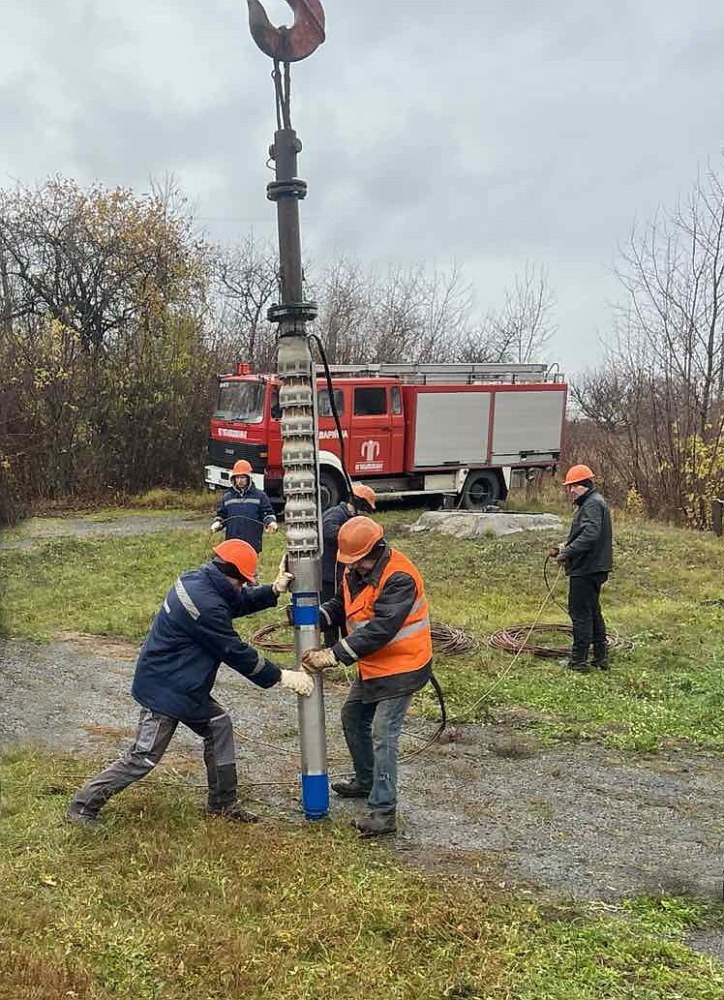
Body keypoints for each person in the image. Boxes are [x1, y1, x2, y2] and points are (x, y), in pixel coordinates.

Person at [66, 539, 314, 828]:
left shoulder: (201, 581)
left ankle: (223, 804)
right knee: (144, 756)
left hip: (184, 685)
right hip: (165, 688)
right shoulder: (204, 605)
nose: (243, 587)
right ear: (229, 574)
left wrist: (272, 591)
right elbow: (234, 650)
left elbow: (234, 601)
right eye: (242, 582)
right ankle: (82, 807)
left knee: (218, 725)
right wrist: (281, 676)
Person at [302, 516, 432, 838]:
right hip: (375, 665)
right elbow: (343, 604)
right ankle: (366, 780)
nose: (352, 566)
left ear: (375, 550)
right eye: (349, 561)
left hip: (403, 667)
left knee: (383, 733)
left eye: (357, 560)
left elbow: (380, 629)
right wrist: (317, 616)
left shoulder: (399, 577)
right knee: (352, 716)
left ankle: (384, 813)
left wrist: (334, 654)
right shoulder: (355, 571)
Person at [549, 464, 613, 673]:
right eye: (569, 487)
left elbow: (590, 536)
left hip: (586, 569)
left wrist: (567, 553)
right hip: (595, 567)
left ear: (584, 485)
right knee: (593, 612)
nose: (571, 490)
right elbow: (585, 534)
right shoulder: (595, 502)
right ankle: (600, 658)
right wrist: (562, 547)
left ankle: (578, 662)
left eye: (573, 486)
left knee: (580, 614)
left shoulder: (592, 504)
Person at [320, 483, 377, 647]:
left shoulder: (351, 518)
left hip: (342, 574)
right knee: (331, 611)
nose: (366, 514)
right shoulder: (336, 514)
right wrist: (351, 535)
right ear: (359, 504)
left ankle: (346, 643)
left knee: (346, 609)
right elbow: (327, 530)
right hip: (329, 575)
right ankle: (332, 646)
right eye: (366, 509)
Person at [211, 459, 278, 553]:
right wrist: (217, 523)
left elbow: (267, 513)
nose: (239, 481)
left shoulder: (260, 496)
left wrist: (271, 522)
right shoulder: (227, 497)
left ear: (248, 478)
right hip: (232, 543)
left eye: (242, 477)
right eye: (237, 478)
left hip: (252, 544)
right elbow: (222, 515)